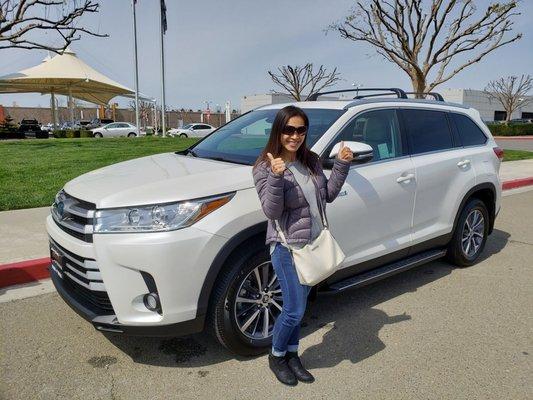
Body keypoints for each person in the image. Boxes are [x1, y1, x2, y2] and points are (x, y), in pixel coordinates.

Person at [252, 105, 353, 386]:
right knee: (294, 309)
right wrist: (275, 175)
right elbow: (271, 212)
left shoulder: (311, 161)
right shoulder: (264, 167)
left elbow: (327, 196)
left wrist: (342, 165)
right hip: (287, 248)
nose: (294, 136)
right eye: (289, 130)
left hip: (314, 242)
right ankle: (276, 356)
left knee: (300, 305)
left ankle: (292, 355)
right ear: (279, 131)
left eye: (300, 130)